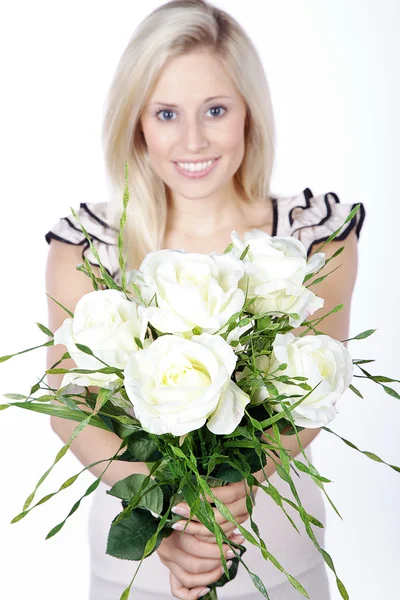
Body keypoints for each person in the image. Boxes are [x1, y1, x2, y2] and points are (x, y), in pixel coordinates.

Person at [45, 1, 366, 599]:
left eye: (215, 110)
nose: (193, 139)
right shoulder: (87, 245)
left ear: (249, 114)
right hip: (138, 563)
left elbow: (318, 385)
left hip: (278, 555)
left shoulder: (313, 235)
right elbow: (70, 400)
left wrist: (220, 504)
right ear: (136, 120)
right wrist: (163, 519)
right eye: (167, 113)